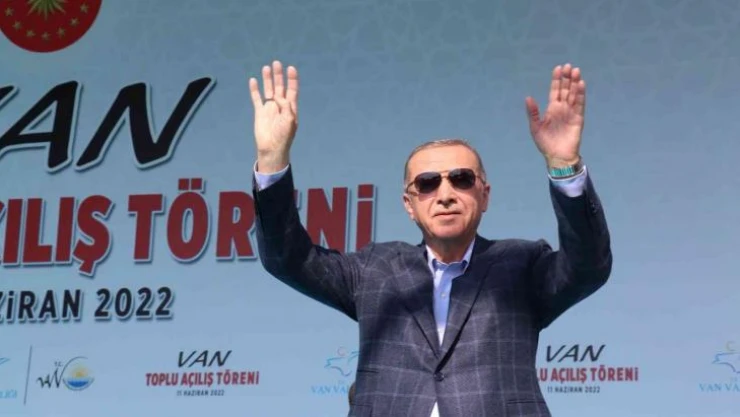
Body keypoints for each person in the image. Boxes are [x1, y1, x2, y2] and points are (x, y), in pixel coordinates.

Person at [248, 60, 612, 417]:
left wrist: (564, 166)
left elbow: (588, 266)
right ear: (409, 204)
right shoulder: (374, 269)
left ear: (485, 195)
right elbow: (287, 257)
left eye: (462, 179)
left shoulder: (522, 264)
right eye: (427, 183)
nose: (445, 194)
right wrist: (272, 159)